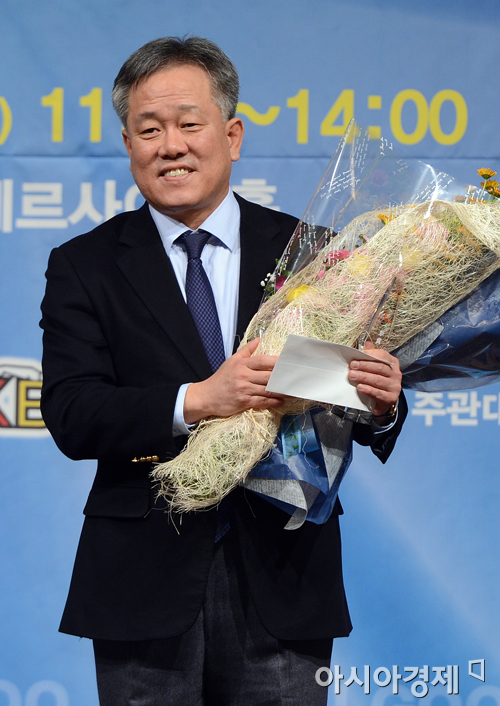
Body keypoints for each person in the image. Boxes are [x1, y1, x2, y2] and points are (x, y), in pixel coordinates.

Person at [40, 36, 406, 706]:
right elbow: (72, 414)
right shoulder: (84, 264)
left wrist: (380, 403)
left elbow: (341, 393)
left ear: (232, 136)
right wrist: (197, 399)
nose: (170, 146)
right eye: (149, 129)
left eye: (189, 123)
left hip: (285, 573)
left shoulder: (315, 251)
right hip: (143, 578)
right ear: (128, 144)